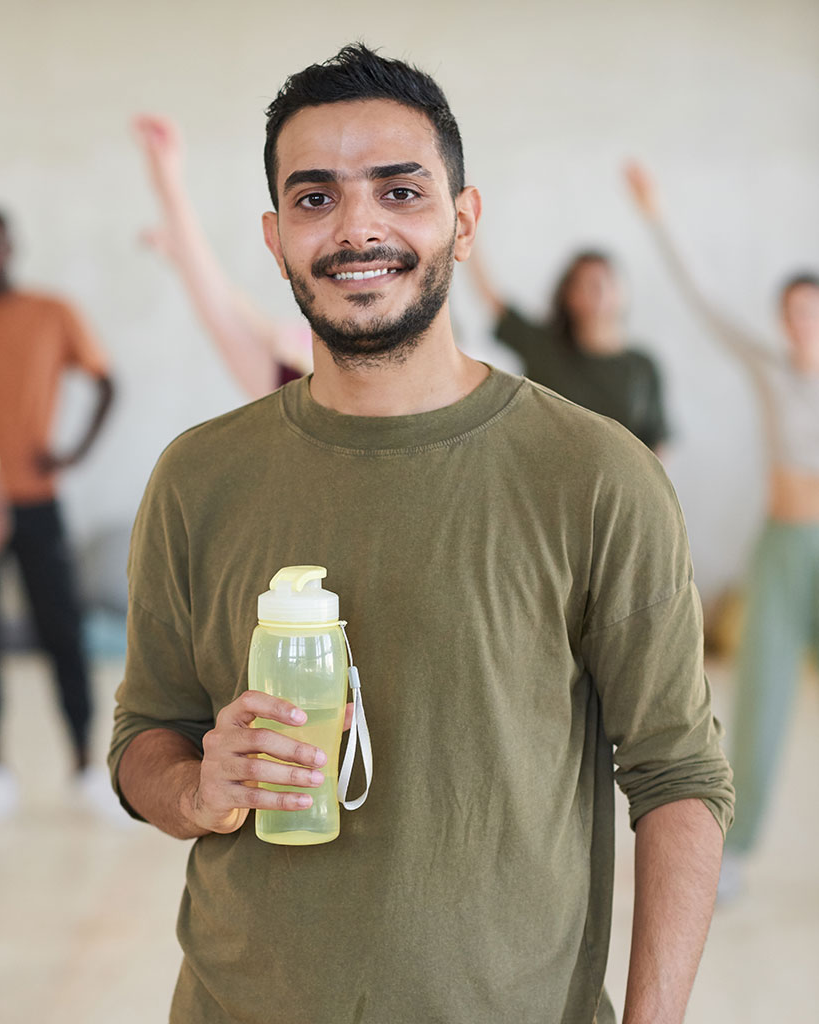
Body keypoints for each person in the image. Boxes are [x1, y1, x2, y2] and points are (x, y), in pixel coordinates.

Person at [109, 45, 734, 1024]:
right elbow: (146, 733)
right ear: (275, 238)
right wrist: (196, 789)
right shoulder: (199, 476)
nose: (357, 226)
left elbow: (678, 775)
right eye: (315, 198)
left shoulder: (595, 474)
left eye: (399, 191)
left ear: (464, 220)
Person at [626, 161, 819, 899]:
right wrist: (657, 213)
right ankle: (734, 851)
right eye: (793, 312)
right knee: (760, 698)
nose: (802, 324)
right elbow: (703, 295)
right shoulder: (769, 366)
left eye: (812, 312)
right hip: (784, 543)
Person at [0, 210, 115, 819]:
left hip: (37, 500)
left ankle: (83, 762)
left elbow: (106, 383)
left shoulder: (50, 313)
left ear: (10, 245)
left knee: (62, 631)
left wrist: (71, 453)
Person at [133, 113, 312, 399]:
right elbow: (227, 313)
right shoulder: (296, 386)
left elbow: (230, 315)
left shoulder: (297, 377)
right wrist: (167, 184)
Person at [469, 243, 669, 452]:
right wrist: (469, 232)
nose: (599, 291)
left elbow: (656, 442)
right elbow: (490, 297)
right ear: (569, 296)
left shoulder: (643, 366)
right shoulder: (544, 348)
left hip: (620, 474)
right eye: (588, 284)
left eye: (606, 281)